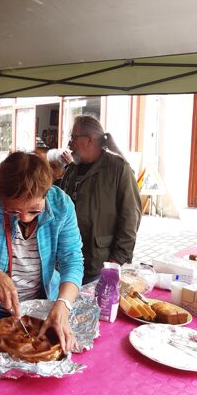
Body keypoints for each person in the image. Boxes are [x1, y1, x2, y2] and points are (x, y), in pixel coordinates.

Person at [0, 151, 83, 353]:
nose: (24, 218)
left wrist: (63, 304)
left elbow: (72, 260)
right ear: (1, 196)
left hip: (41, 309)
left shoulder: (62, 206)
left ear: (46, 192)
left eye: (34, 210)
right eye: (13, 211)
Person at [60, 115, 142, 285]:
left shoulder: (118, 169)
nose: (69, 143)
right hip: (70, 263)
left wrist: (116, 261)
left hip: (101, 265)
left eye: (73, 137)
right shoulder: (71, 169)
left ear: (89, 140)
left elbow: (130, 219)